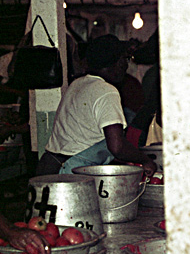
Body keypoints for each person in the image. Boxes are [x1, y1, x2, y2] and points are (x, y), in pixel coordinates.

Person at [36, 34, 157, 177]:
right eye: (125, 59)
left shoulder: (77, 84)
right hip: (70, 174)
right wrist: (146, 160)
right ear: (116, 62)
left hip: (48, 168)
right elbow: (117, 146)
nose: (126, 65)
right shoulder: (107, 91)